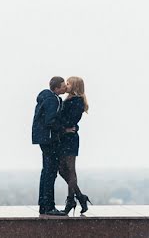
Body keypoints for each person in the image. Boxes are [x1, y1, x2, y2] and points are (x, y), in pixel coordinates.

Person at [31, 76, 71, 216]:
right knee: (50, 173)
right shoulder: (52, 100)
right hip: (49, 140)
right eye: (63, 86)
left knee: (46, 172)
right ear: (56, 88)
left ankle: (44, 205)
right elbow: (50, 121)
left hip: (44, 139)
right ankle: (49, 206)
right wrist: (64, 129)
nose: (65, 87)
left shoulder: (48, 97)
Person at [57, 76, 92, 215]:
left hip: (70, 138)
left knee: (70, 169)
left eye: (68, 83)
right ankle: (80, 197)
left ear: (75, 86)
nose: (66, 85)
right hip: (64, 137)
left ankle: (71, 199)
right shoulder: (69, 99)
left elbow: (71, 119)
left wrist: (61, 124)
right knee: (61, 169)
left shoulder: (77, 101)